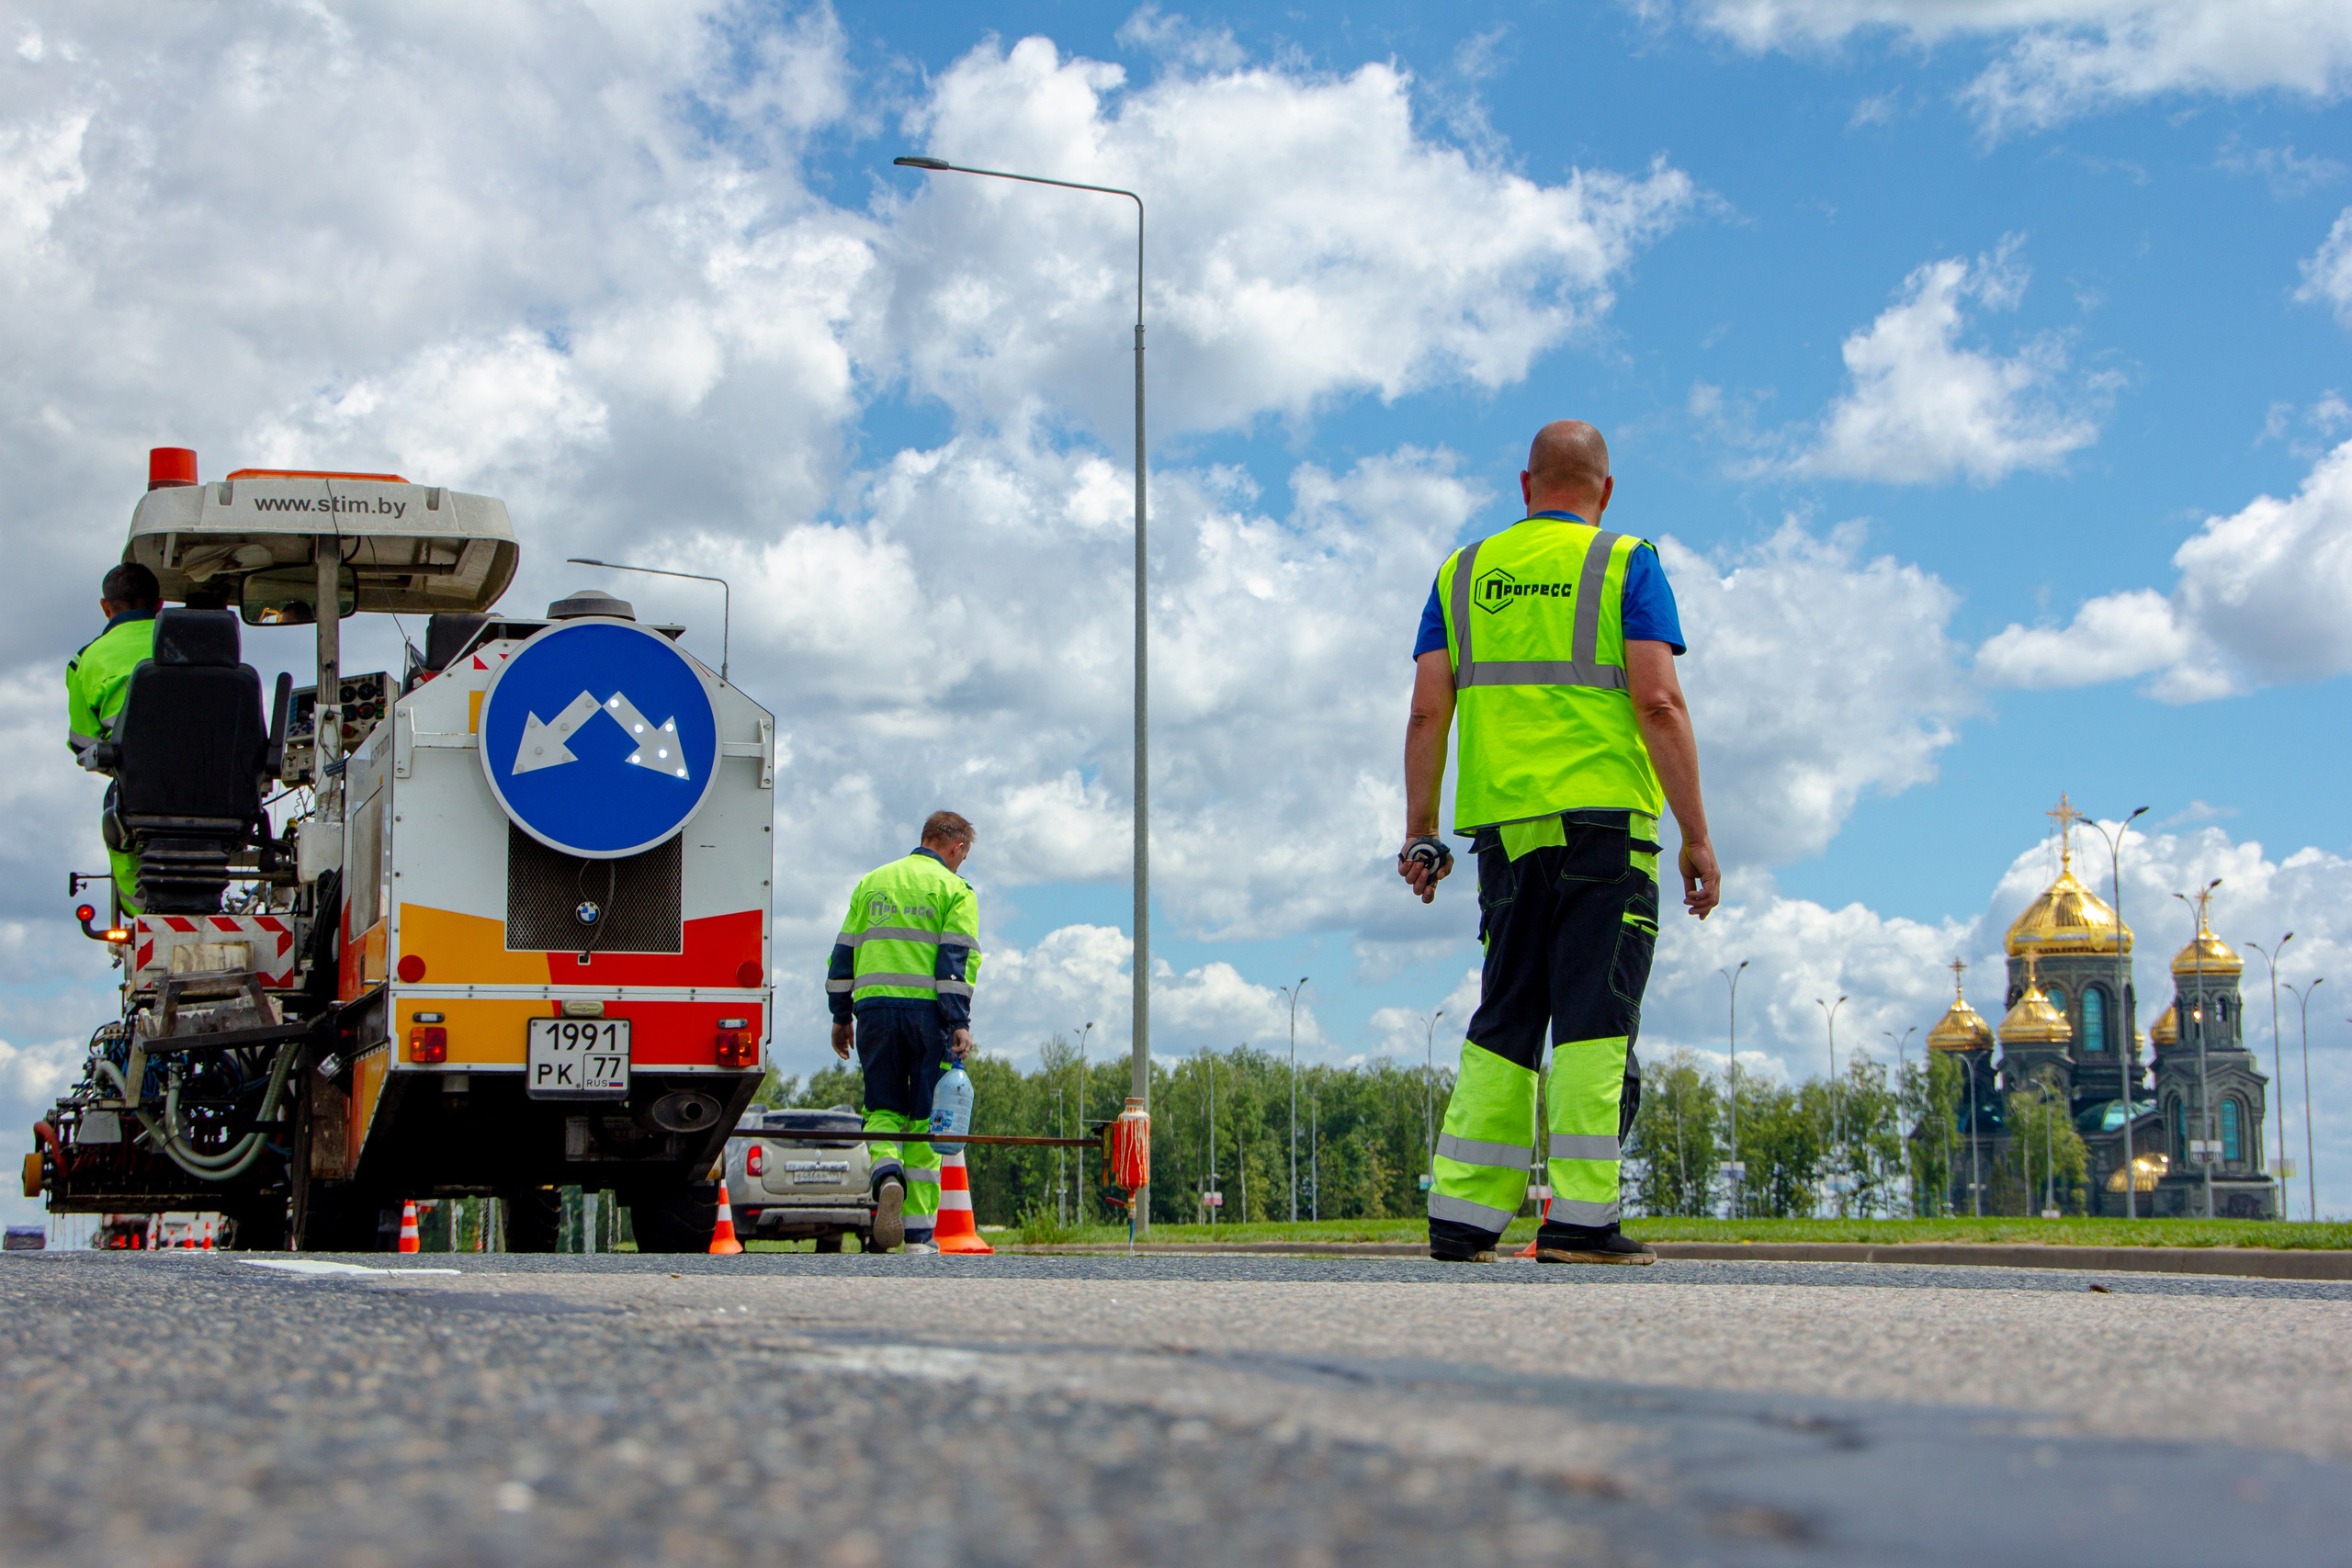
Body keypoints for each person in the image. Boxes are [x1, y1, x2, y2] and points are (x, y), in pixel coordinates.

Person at [1399, 420, 1719, 1266]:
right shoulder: (1626, 562)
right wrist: (1696, 833)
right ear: (1605, 490)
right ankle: (1580, 1220)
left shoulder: (1461, 573)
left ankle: (1463, 1215)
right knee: (1592, 1020)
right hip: (1606, 832)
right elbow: (1659, 702)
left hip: (1506, 835)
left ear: (1525, 485)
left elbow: (1428, 711)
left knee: (1506, 1013)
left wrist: (1421, 831)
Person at [829, 811, 983, 1255]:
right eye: (963, 856)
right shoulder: (955, 890)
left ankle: (886, 1175)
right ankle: (917, 1237)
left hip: (874, 1013)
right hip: (929, 1017)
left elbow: (842, 956)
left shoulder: (872, 882)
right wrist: (958, 1022)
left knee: (881, 1108)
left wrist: (841, 1016)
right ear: (956, 847)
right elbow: (954, 963)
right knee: (926, 1118)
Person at [66, 563, 163, 911]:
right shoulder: (204, 645)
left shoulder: (85, 660)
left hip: (141, 788)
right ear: (160, 604)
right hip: (223, 787)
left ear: (106, 607)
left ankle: (143, 917)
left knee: (118, 823)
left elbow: (83, 742)